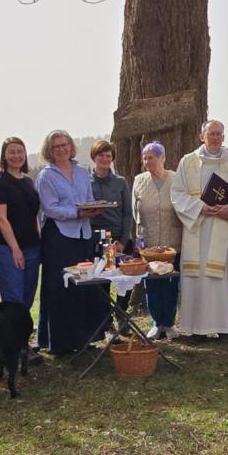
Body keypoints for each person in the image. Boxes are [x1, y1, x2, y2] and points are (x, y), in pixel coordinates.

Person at [170, 119, 228, 340]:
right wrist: (199, 207)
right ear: (201, 136)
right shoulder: (188, 162)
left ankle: (225, 328)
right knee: (198, 278)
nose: (215, 137)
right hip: (198, 227)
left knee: (223, 279)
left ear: (224, 137)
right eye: (211, 133)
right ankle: (197, 329)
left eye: (219, 134)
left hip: (224, 226)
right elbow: (177, 194)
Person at [35, 129, 107, 354]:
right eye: (57, 146)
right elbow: (50, 208)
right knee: (61, 288)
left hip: (84, 234)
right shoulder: (46, 176)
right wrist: (77, 213)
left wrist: (95, 208)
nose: (62, 149)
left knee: (85, 286)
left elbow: (88, 199)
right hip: (59, 236)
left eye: (65, 144)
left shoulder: (82, 170)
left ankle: (85, 339)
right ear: (50, 150)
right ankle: (60, 342)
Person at [132, 141, 183, 340]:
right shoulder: (139, 180)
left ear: (162, 158)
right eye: (144, 158)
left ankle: (169, 323)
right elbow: (135, 212)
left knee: (170, 283)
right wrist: (138, 239)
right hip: (149, 243)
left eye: (151, 157)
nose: (147, 162)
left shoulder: (176, 179)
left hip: (173, 242)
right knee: (152, 284)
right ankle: (156, 323)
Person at [0, 136, 40, 308]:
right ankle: (12, 335)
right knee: (13, 300)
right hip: (7, 249)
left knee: (28, 297)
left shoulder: (29, 181)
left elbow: (34, 214)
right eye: (12, 152)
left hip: (32, 247)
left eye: (20, 151)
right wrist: (15, 249)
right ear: (4, 156)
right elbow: (1, 218)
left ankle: (23, 334)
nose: (16, 156)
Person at [89, 139, 134, 324]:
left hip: (118, 237)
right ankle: (104, 322)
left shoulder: (120, 182)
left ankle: (121, 316)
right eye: (101, 155)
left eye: (108, 156)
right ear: (94, 157)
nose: (105, 159)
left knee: (126, 280)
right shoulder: (86, 181)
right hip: (96, 238)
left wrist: (123, 240)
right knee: (101, 283)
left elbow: (127, 213)